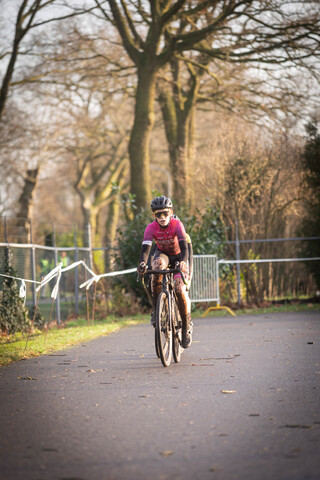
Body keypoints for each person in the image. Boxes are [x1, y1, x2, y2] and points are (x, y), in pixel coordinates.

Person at [137, 196, 193, 348]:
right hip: (163, 254)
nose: (162, 218)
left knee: (179, 288)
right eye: (158, 214)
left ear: (171, 212)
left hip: (180, 255)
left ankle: (186, 325)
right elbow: (146, 249)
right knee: (156, 268)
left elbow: (185, 247)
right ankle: (156, 310)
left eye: (165, 214)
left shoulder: (177, 224)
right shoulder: (151, 228)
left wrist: (183, 262)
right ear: (153, 215)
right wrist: (142, 263)